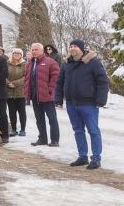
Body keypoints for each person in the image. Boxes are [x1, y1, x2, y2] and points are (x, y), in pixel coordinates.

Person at [55, 39, 110, 170]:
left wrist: (101, 100)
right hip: (71, 104)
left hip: (88, 104)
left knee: (93, 131)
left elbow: (103, 81)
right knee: (78, 130)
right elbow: (60, 82)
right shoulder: (66, 64)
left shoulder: (93, 62)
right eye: (71, 46)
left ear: (81, 48)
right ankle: (82, 156)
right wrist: (58, 99)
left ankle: (96, 158)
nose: (72, 48)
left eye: (75, 46)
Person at [25, 43, 60, 147]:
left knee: (52, 119)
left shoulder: (50, 61)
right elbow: (27, 79)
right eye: (32, 50)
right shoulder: (30, 63)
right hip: (35, 96)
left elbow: (56, 76)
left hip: (47, 96)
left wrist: (50, 90)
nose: (34, 51)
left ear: (42, 51)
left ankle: (54, 140)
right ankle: (42, 139)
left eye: (36, 49)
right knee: (39, 119)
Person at [6, 48, 27, 137]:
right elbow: (3, 75)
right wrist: (8, 83)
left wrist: (15, 83)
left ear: (21, 55)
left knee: (22, 111)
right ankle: (14, 129)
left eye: (18, 53)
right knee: (12, 112)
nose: (16, 54)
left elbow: (26, 77)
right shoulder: (7, 63)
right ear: (12, 54)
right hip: (9, 91)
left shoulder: (24, 64)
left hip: (21, 91)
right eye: (15, 53)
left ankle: (23, 129)